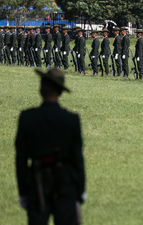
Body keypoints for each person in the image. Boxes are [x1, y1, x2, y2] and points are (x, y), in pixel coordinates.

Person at [15, 68, 86, 225]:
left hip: (37, 181)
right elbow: (77, 158)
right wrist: (80, 190)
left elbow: (21, 159)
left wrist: (23, 191)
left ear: (41, 88)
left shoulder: (28, 118)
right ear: (60, 92)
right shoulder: (71, 120)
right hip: (65, 182)